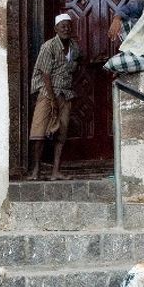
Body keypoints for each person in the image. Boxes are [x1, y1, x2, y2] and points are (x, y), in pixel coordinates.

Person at [28, 13, 82, 180]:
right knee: (40, 132)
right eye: (62, 26)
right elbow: (45, 74)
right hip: (47, 92)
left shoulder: (74, 47)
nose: (66, 28)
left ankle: (55, 171)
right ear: (55, 29)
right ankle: (36, 171)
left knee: (62, 133)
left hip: (65, 93)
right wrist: (52, 100)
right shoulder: (48, 46)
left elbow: (77, 62)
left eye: (68, 26)